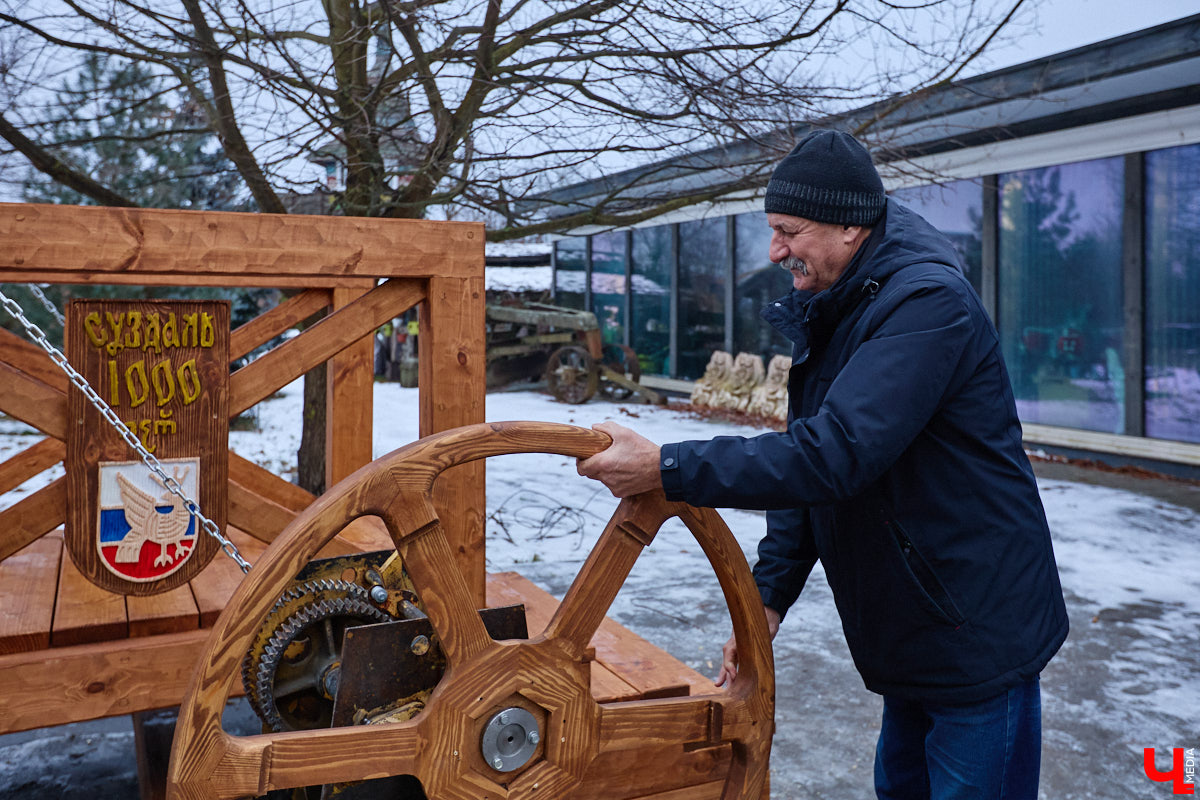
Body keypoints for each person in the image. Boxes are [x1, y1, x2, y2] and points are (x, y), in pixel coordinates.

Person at [576, 129, 1068, 800]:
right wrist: (769, 595)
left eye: (788, 231)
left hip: (974, 625)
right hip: (915, 625)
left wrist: (667, 468)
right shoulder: (843, 304)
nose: (775, 250)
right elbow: (814, 463)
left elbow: (832, 457)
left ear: (848, 225)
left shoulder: (925, 307)